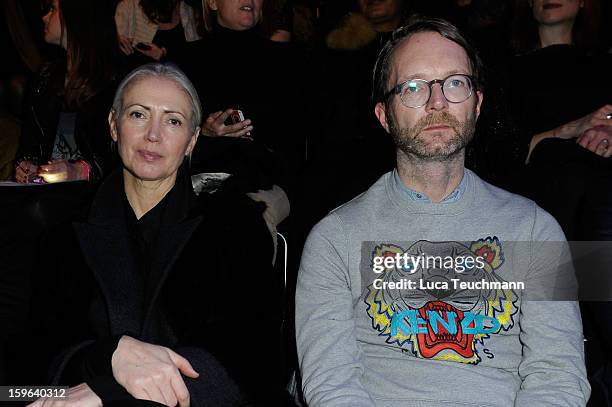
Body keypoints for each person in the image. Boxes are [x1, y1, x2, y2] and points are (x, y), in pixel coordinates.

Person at [295, 18, 590, 406]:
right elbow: (332, 387)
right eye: (413, 87)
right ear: (384, 115)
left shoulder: (538, 230)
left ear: (477, 103)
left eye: (455, 83)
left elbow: (558, 376)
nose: (437, 102)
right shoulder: (333, 239)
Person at [21, 63, 279, 406]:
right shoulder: (62, 236)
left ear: (192, 140)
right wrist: (109, 355)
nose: (153, 135)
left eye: (173, 120)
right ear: (114, 126)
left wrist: (112, 393)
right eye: (139, 115)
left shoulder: (236, 228)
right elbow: (31, 366)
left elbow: (251, 361)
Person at [14, 0, 120, 184]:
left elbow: (123, 157)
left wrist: (82, 170)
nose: (45, 17)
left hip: (92, 198)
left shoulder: (114, 83)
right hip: (46, 197)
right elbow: (28, 147)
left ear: (75, 18)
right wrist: (26, 167)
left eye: (53, 10)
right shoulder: (45, 78)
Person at [115, 0, 201, 64]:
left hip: (176, 82)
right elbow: (115, 61)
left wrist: (163, 56)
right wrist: (116, 43)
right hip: (137, 82)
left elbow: (194, 60)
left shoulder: (188, 10)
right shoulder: (128, 7)